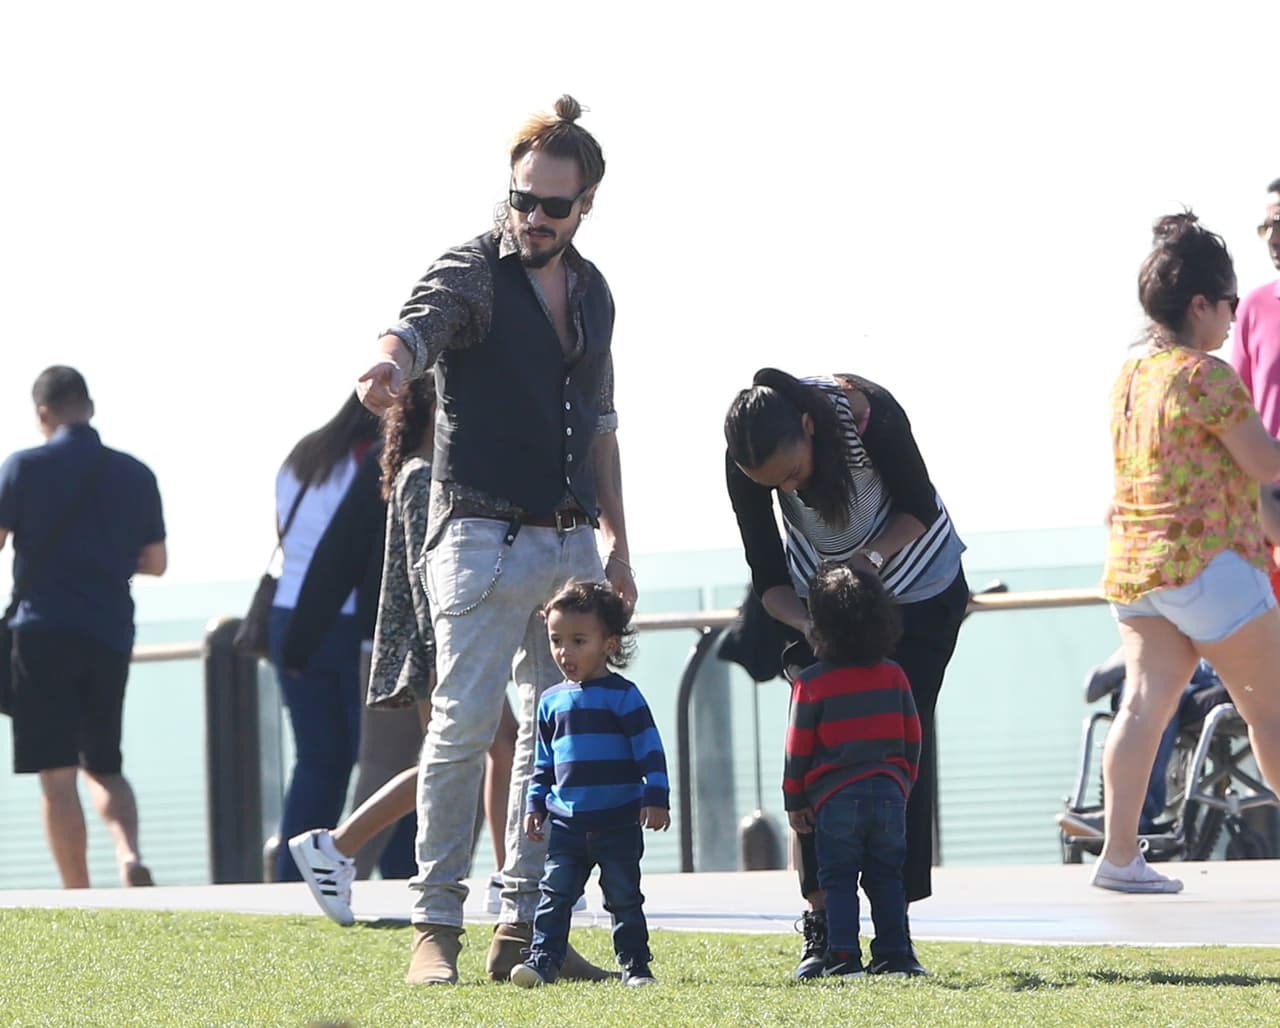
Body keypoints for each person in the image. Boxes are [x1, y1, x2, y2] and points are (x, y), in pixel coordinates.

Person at [356, 95, 634, 985]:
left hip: (570, 543)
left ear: (586, 203)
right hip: (478, 536)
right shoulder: (474, 270)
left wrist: (618, 543)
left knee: (560, 739)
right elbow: (419, 321)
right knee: (463, 728)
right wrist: (390, 361)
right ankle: (433, 926)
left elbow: (600, 422)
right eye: (522, 198)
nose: (533, 217)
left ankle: (527, 928)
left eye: (553, 204)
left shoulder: (593, 291)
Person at [724, 368, 967, 978]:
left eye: (793, 473)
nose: (789, 489)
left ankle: (894, 935)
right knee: (819, 752)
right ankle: (824, 928)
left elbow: (917, 506)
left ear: (809, 427)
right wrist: (811, 627)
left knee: (896, 746)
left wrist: (869, 560)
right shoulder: (747, 463)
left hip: (919, 588)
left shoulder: (866, 414)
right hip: (827, 606)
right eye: (774, 485)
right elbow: (768, 577)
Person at [287, 378, 518, 924]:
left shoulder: (434, 474)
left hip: (445, 640)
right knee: (476, 750)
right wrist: (444, 651)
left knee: (468, 753)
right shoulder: (420, 477)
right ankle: (339, 846)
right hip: (438, 643)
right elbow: (424, 573)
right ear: (431, 408)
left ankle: (340, 847)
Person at [1096, 211, 1280, 893]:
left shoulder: (1131, 377)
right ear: (1199, 304)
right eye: (1228, 301)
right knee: (1271, 712)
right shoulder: (1207, 375)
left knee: (1143, 707)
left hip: (1137, 571)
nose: (1234, 315)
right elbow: (1264, 464)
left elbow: (1200, 474)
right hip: (1210, 570)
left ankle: (1119, 858)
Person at [0, 366, 166, 888]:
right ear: (89, 407)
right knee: (104, 763)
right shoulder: (136, 473)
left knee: (57, 773)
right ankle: (128, 854)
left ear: (42, 413)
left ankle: (79, 893)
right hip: (110, 632)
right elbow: (156, 562)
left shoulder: (22, 467)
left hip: (42, 634)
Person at [510, 580, 669, 989]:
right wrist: (535, 804)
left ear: (609, 644)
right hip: (567, 825)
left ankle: (635, 966)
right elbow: (543, 762)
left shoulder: (624, 697)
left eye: (578, 641)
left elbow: (650, 751)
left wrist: (656, 797)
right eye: (556, 640)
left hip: (618, 822)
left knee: (623, 897)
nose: (565, 652)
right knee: (555, 895)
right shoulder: (551, 701)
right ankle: (542, 963)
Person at [784, 564, 921, 979]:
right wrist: (903, 783)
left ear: (820, 627)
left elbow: (797, 749)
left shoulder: (810, 682)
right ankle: (894, 955)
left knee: (838, 878)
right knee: (887, 876)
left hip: (835, 798)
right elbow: (913, 737)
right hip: (889, 790)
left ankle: (843, 956)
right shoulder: (894, 675)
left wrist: (794, 799)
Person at [269, 394, 380, 883]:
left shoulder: (304, 455)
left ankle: (293, 876)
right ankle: (396, 871)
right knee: (382, 759)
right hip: (348, 620)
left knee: (317, 760)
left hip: (289, 614)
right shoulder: (374, 459)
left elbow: (284, 533)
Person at [1229, 177, 1280, 436]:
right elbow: (1237, 412)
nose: (1272, 238)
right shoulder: (1253, 308)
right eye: (1266, 228)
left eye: (1278, 224)